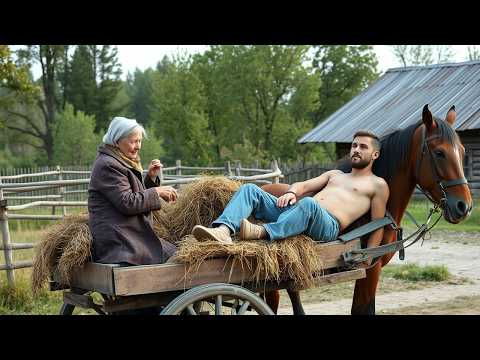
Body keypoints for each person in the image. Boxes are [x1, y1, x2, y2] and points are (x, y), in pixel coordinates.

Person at [192, 131, 390, 259]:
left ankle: (261, 232)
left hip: (327, 226)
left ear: (375, 155)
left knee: (310, 205)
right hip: (297, 212)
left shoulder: (378, 185)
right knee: (250, 189)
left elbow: (377, 224)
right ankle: (223, 231)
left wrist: (369, 255)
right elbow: (303, 185)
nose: (356, 150)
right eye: (354, 145)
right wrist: (291, 192)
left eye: (363, 147)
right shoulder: (335, 174)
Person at [88, 116, 178, 266]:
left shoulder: (117, 161)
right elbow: (127, 202)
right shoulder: (108, 165)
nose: (138, 146)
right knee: (177, 257)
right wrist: (156, 191)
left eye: (140, 141)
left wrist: (150, 179)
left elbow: (133, 195)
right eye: (133, 141)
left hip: (129, 235)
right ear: (117, 141)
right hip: (121, 241)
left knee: (175, 252)